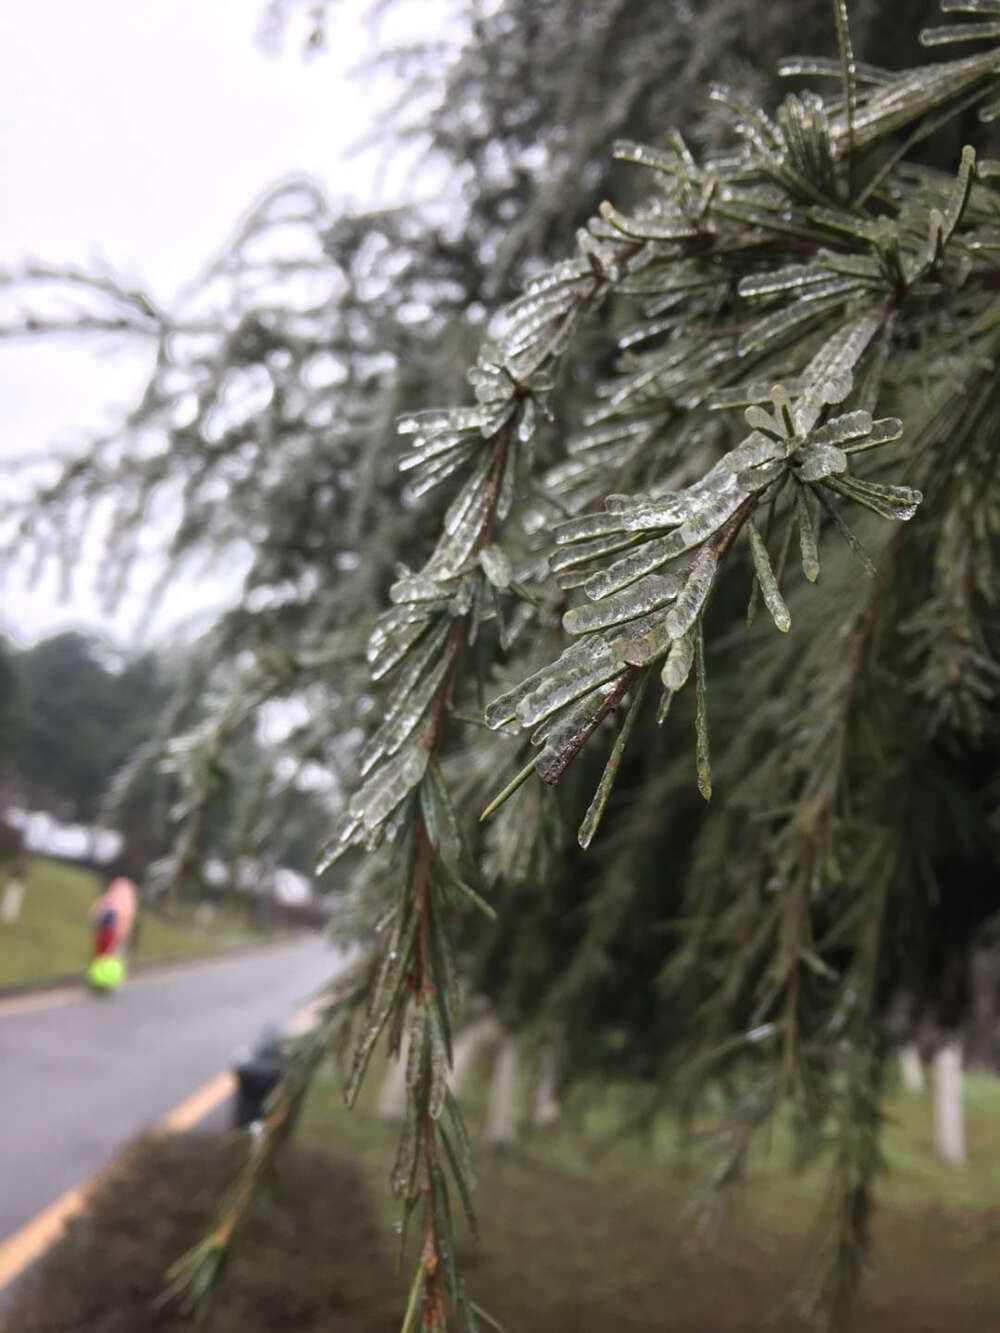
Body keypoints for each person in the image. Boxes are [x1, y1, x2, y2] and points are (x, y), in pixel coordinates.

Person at [87, 874, 138, 992]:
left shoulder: (109, 898)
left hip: (105, 933)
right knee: (114, 959)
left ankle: (98, 980)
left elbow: (95, 913)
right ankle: (107, 981)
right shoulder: (128, 901)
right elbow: (127, 920)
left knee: (101, 957)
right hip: (116, 935)